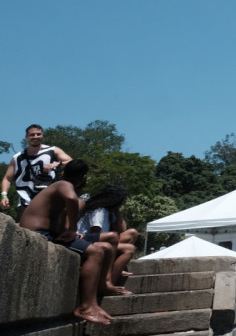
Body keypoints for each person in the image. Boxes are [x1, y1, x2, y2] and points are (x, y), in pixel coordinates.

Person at [19, 160, 118, 325]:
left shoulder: (59, 187)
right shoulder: (63, 184)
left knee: (102, 247)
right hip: (39, 234)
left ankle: (93, 302)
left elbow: (60, 217)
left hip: (49, 233)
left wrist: (70, 232)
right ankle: (86, 307)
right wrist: (72, 229)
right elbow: (71, 198)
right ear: (83, 178)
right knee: (96, 252)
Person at [2, 124, 73, 221]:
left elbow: (71, 162)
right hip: (26, 202)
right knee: (23, 233)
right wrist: (4, 196)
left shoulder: (52, 151)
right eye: (32, 135)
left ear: (42, 135)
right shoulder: (18, 158)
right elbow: (7, 178)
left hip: (50, 200)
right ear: (27, 137)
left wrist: (58, 163)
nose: (35, 137)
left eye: (38, 134)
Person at [77, 182, 139, 288]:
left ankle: (114, 267)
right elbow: (95, 233)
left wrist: (117, 211)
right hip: (89, 241)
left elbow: (122, 229)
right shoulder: (99, 210)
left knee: (132, 233)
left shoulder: (109, 211)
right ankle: (107, 284)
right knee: (129, 248)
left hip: (107, 241)